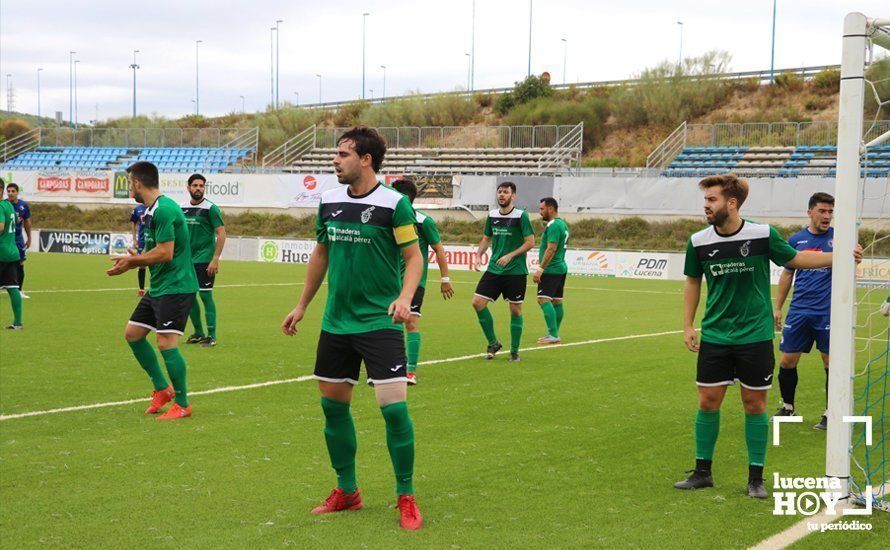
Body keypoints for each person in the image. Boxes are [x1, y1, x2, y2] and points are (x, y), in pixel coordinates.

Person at [674, 174, 861, 499]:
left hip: (755, 337)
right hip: (716, 336)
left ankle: (755, 478)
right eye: (705, 200)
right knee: (707, 402)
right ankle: (702, 472)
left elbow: (797, 259)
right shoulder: (699, 241)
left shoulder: (762, 234)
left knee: (755, 404)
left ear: (731, 203)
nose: (706, 205)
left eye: (712, 199)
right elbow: (692, 281)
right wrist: (689, 325)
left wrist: (841, 255)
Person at [280, 127, 424, 530]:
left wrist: (405, 297)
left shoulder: (395, 205)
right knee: (332, 408)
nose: (335, 160)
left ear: (366, 159)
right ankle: (348, 491)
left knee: (395, 411)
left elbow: (413, 258)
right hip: (336, 323)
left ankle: (406, 496)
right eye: (335, 153)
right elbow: (321, 253)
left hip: (379, 322)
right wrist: (302, 304)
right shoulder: (327, 201)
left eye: (343, 154)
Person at [107, 161, 199, 421]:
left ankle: (182, 403)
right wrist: (136, 257)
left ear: (137, 183)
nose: (129, 189)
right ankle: (162, 389)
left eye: (129, 183)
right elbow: (156, 250)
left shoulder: (165, 210)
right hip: (159, 286)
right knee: (133, 334)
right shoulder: (150, 210)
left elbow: (166, 253)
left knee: (165, 343)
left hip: (177, 286)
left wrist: (131, 263)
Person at [773, 192, 836, 431]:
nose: (827, 216)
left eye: (830, 211)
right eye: (822, 211)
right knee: (788, 361)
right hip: (799, 310)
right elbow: (787, 274)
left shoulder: (839, 238)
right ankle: (788, 408)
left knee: (830, 362)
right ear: (810, 212)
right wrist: (778, 307)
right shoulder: (796, 240)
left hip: (827, 311)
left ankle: (831, 412)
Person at [390, 178, 455, 385]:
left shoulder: (423, 221)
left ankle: (410, 371)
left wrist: (445, 278)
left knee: (410, 321)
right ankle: (390, 368)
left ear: (402, 197)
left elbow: (439, 249)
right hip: (389, 280)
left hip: (414, 281)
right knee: (387, 324)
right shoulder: (387, 219)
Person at [471, 182, 535, 361]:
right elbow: (486, 238)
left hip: (515, 271)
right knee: (477, 303)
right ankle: (493, 342)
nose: (502, 195)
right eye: (499, 192)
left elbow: (530, 242)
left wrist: (510, 255)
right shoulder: (491, 215)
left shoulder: (521, 216)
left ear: (513, 196)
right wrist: (478, 255)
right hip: (494, 269)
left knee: (515, 310)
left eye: (506, 192)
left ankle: (514, 351)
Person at [182, 173, 226, 348]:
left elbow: (221, 233)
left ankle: (212, 335)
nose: (198, 188)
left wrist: (215, 258)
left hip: (205, 259)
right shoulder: (181, 207)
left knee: (205, 295)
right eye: (195, 185)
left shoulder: (211, 208)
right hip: (187, 260)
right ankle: (199, 332)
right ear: (189, 187)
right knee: (189, 296)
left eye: (201, 185)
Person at [534, 197, 569, 344]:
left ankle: (553, 335)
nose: (540, 212)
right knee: (557, 301)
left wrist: (540, 269)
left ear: (551, 209)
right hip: (560, 267)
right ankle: (553, 332)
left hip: (551, 269)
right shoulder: (563, 224)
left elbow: (551, 248)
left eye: (542, 209)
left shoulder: (554, 225)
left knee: (543, 299)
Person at [0, 181, 24, 329]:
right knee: (13, 287)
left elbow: (1, 227)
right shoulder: (9, 205)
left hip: (1, 252)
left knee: (12, 287)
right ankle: (18, 323)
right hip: (12, 252)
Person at [5, 183, 31, 299]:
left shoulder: (23, 206)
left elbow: (27, 222)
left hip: (18, 239)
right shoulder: (3, 205)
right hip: (5, 238)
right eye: (8, 191)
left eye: (12, 191)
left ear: (17, 192)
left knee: (20, 264)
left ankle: (19, 290)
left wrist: (29, 238)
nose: (10, 193)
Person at [130, 203, 149, 296]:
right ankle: (141, 290)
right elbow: (133, 222)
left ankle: (157, 289)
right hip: (142, 241)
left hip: (154, 241)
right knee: (142, 265)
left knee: (157, 265)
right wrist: (134, 239)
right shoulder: (138, 209)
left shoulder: (155, 207)